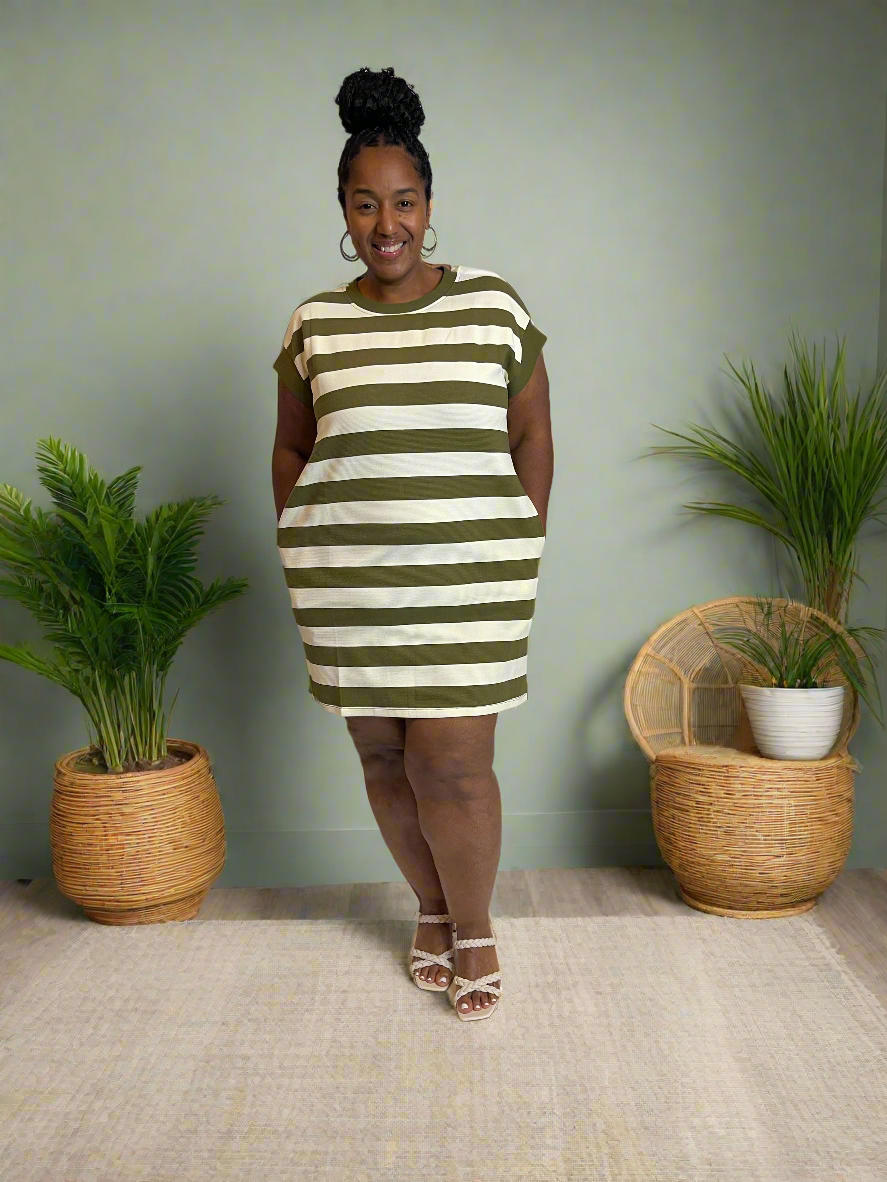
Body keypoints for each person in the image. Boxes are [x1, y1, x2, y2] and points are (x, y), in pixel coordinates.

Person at [271, 66, 553, 1022]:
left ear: (429, 208)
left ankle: (474, 926)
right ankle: (430, 909)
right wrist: (301, 542)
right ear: (343, 212)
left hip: (466, 584)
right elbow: (291, 448)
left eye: (402, 202)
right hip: (349, 586)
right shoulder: (315, 325)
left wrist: (518, 541)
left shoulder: (493, 307)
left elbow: (532, 435)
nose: (384, 223)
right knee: (385, 761)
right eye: (365, 203)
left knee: (454, 767)